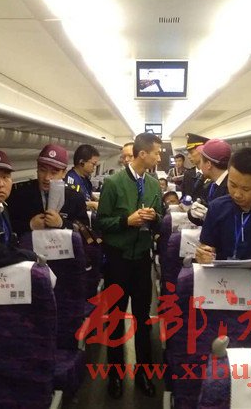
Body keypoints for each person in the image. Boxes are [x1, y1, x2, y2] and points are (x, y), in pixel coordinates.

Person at [96, 132, 163, 399]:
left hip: (142, 260)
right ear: (142, 154)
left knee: (143, 319)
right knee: (115, 318)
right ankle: (115, 374)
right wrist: (127, 221)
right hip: (118, 260)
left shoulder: (154, 185)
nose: (159, 157)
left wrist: (154, 217)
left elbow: (161, 220)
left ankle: (144, 373)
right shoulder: (113, 183)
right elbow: (101, 222)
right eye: (156, 152)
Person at [8, 144, 89, 238]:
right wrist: (30, 225)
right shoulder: (20, 194)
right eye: (42, 170)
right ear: (37, 169)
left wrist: (62, 223)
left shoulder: (75, 197)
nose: (47, 178)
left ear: (64, 173)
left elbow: (86, 232)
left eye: (54, 173)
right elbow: (8, 226)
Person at [187, 139, 231, 225]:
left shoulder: (232, 188)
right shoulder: (211, 185)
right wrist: (192, 213)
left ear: (208, 164)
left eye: (201, 161)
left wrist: (210, 218)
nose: (200, 166)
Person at [66, 144, 100, 211]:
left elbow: (87, 194)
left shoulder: (85, 179)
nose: (95, 168)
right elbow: (70, 204)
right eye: (93, 164)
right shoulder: (70, 180)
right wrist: (91, 204)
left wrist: (96, 199)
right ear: (82, 162)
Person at [181, 133, 209, 199]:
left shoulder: (210, 174)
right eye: (188, 153)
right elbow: (184, 195)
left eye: (191, 153)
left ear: (202, 152)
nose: (188, 156)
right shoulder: (188, 174)